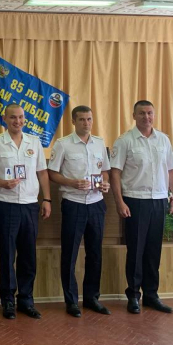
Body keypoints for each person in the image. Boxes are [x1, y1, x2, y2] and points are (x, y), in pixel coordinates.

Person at [110, 100, 173, 315]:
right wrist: (120, 202)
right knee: (136, 250)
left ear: (154, 114)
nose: (146, 117)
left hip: (159, 200)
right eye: (142, 113)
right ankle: (133, 295)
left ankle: (151, 295)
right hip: (135, 201)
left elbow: (171, 170)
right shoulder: (125, 141)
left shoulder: (163, 140)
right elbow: (115, 173)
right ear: (134, 115)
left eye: (150, 113)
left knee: (153, 251)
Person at [0, 103, 51, 320]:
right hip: (6, 204)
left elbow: (42, 173)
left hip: (30, 205)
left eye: (21, 118)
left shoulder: (34, 142)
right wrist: (2, 183)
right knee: (7, 254)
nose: (17, 121)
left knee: (28, 255)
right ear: (5, 119)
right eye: (13, 118)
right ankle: (7, 300)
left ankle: (26, 299)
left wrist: (46, 199)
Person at [48, 105, 111, 318]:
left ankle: (92, 298)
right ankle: (71, 300)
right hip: (73, 203)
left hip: (96, 204)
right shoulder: (63, 144)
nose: (86, 123)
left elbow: (104, 171)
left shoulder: (100, 144)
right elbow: (52, 173)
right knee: (70, 254)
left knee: (95, 254)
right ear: (74, 121)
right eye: (82, 119)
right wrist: (72, 183)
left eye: (89, 119)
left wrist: (105, 184)